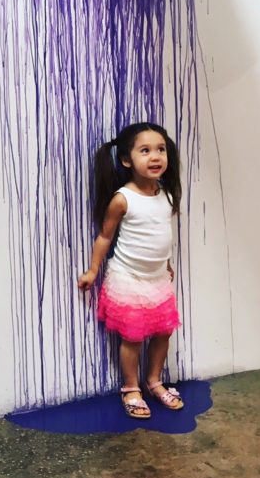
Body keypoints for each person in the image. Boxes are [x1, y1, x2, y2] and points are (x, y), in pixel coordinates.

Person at [78, 122, 183, 419]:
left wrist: (166, 263)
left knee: (163, 333)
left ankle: (154, 380)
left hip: (157, 279)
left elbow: (160, 235)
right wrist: (92, 270)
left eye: (161, 150)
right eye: (145, 150)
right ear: (126, 160)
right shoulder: (123, 198)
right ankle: (131, 387)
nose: (155, 157)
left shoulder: (166, 195)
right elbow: (105, 237)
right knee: (133, 337)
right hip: (129, 278)